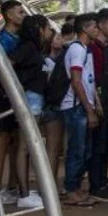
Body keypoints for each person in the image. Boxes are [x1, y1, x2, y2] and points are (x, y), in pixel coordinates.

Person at [8, 15, 53, 209]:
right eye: (47, 28)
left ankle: (24, 190)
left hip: (34, 99)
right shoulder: (27, 48)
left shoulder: (34, 48)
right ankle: (24, 194)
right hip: (29, 99)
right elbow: (8, 63)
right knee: (25, 147)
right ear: (39, 29)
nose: (50, 32)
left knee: (26, 147)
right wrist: (17, 88)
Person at [61, 14, 100, 206]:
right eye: (94, 26)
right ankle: (71, 189)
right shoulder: (77, 51)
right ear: (84, 29)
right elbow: (76, 81)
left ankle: (75, 187)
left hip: (83, 105)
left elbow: (88, 81)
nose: (97, 30)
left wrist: (96, 104)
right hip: (76, 106)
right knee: (77, 149)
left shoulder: (85, 50)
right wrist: (89, 109)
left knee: (83, 149)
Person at [0, 0, 26, 204]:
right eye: (20, 12)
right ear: (9, 15)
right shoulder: (3, 39)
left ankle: (11, 186)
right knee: (2, 139)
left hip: (11, 96)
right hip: (2, 96)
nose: (23, 15)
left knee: (13, 139)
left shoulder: (15, 38)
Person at [87, 8, 108, 201]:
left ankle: (101, 182)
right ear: (100, 25)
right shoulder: (94, 49)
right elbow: (93, 78)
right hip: (99, 103)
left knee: (104, 145)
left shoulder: (107, 47)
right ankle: (97, 184)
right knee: (99, 146)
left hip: (106, 102)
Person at [41, 29, 66, 189]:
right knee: (52, 147)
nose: (61, 40)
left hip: (60, 106)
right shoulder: (46, 62)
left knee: (56, 149)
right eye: (57, 37)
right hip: (51, 106)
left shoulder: (62, 59)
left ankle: (53, 184)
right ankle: (49, 187)